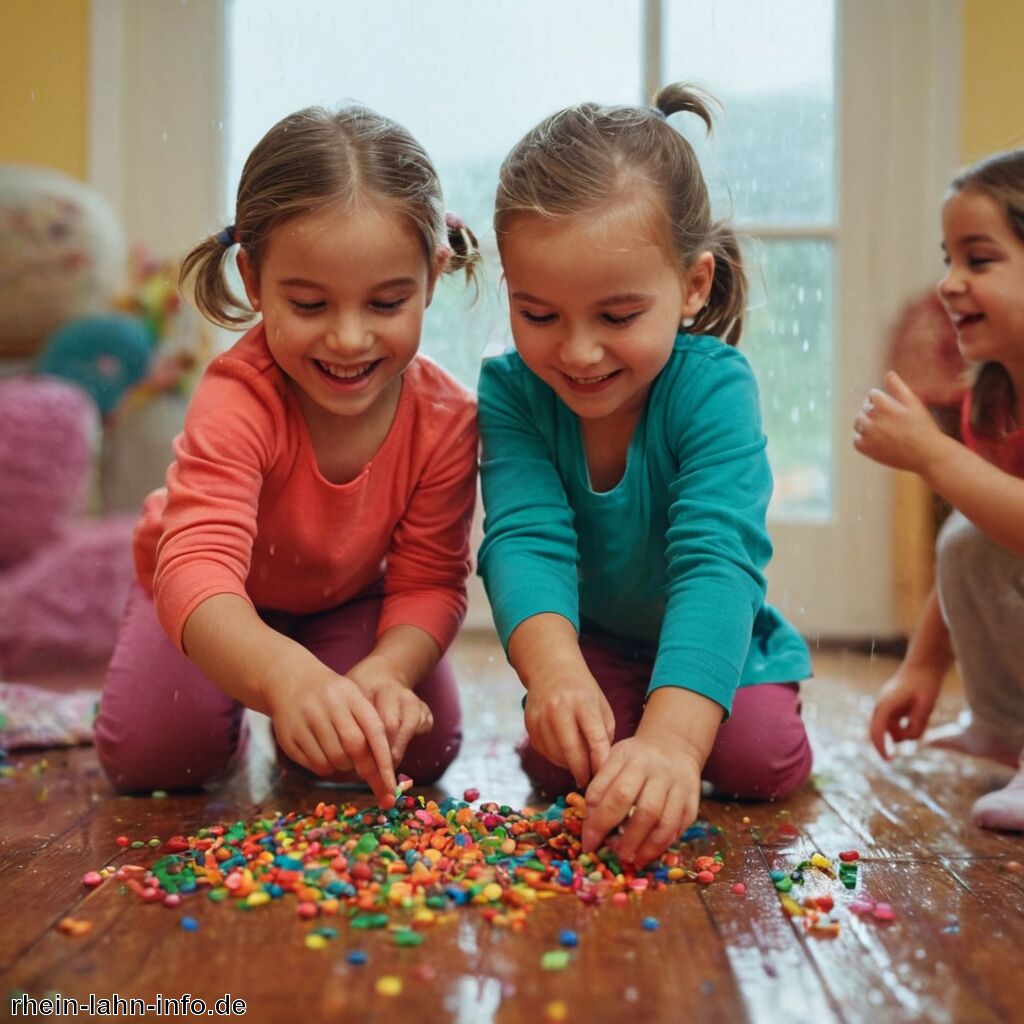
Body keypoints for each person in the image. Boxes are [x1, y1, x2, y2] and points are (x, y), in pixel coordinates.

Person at [95, 105, 480, 805]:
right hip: (206, 595)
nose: (349, 339)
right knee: (157, 759)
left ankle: (304, 704)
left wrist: (388, 672)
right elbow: (199, 565)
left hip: (342, 601)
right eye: (308, 305)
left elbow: (430, 580)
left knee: (419, 748)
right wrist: (285, 679)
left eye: (387, 303)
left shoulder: (448, 419)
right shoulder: (240, 396)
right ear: (252, 277)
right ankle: (239, 712)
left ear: (433, 274)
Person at [477, 84, 813, 867]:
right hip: (592, 642)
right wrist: (556, 674)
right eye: (539, 315)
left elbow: (716, 562)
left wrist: (671, 741)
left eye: (618, 317)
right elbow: (524, 540)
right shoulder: (511, 393)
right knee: (561, 762)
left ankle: (715, 710)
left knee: (754, 761)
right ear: (510, 292)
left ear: (693, 286)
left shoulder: (714, 387)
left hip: (718, 637)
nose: (579, 352)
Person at [857, 148, 1024, 832]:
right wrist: (921, 668)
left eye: (977, 261)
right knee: (967, 535)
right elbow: (987, 532)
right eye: (948, 259)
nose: (949, 284)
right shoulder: (994, 398)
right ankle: (1005, 728)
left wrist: (931, 456)